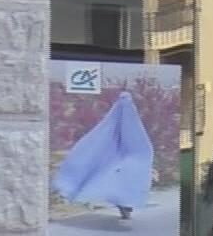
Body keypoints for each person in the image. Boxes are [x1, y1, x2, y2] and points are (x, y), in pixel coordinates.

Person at [54, 91, 156, 221]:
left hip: (123, 155)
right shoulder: (128, 119)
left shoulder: (115, 120)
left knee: (117, 176)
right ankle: (124, 202)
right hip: (124, 155)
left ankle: (124, 202)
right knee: (119, 177)